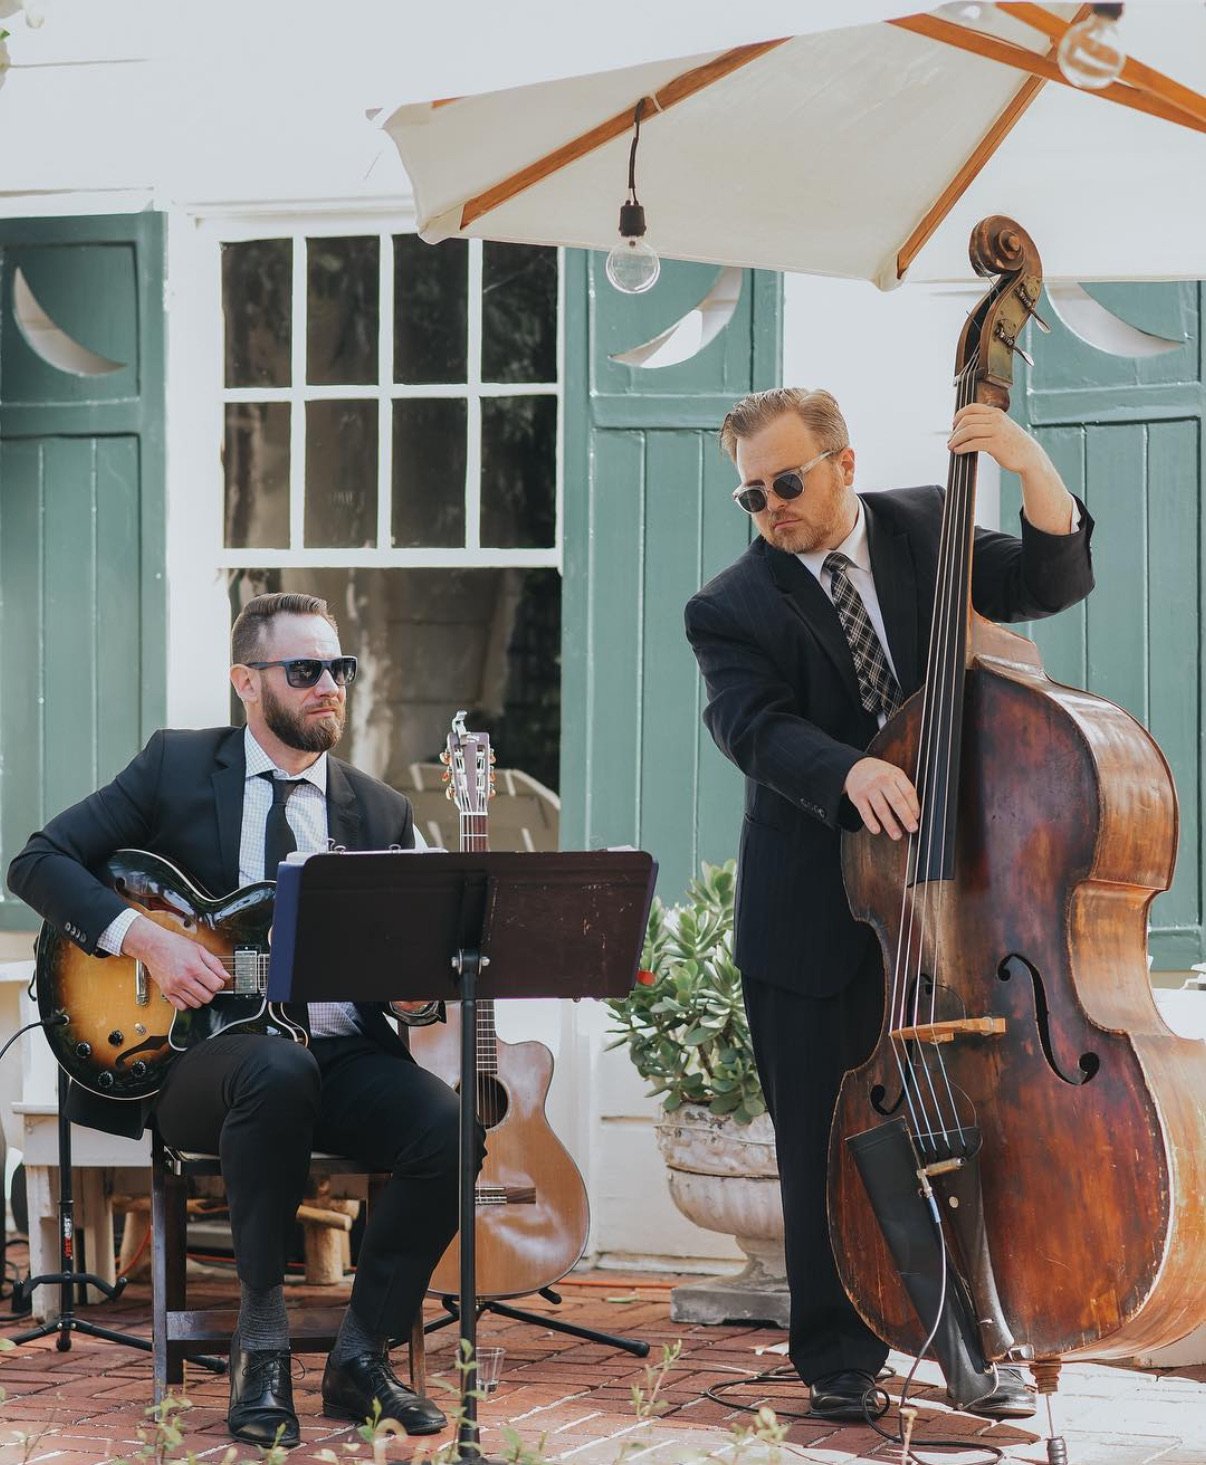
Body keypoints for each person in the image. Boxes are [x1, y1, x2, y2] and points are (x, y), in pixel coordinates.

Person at [684, 388, 1094, 1422]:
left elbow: (1051, 578)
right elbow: (751, 725)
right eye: (750, 494)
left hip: (961, 894)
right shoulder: (731, 605)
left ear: (841, 462)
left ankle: (984, 1336)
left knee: (971, 1120)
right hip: (817, 904)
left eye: (785, 482)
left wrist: (1026, 460)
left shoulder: (929, 525)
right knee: (828, 1139)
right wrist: (847, 773)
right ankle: (837, 1354)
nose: (769, 507)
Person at [8, 592, 478, 1450]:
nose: (328, 686)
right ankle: (259, 1341)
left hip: (338, 1054)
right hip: (198, 1066)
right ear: (246, 683)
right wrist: (146, 938)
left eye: (339, 668)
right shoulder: (178, 768)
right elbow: (36, 860)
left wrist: (418, 992)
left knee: (451, 1126)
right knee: (272, 1067)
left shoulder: (378, 813)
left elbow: (413, 980)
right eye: (305, 670)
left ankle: (360, 1355)